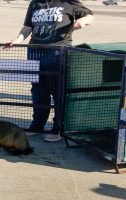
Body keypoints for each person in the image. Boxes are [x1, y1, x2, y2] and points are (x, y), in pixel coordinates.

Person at [6, 0, 94, 142]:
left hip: (57, 51)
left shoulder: (67, 2)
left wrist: (83, 20)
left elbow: (90, 16)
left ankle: (58, 128)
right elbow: (27, 27)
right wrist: (18, 40)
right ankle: (37, 125)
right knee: (38, 90)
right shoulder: (34, 3)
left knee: (57, 91)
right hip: (34, 51)